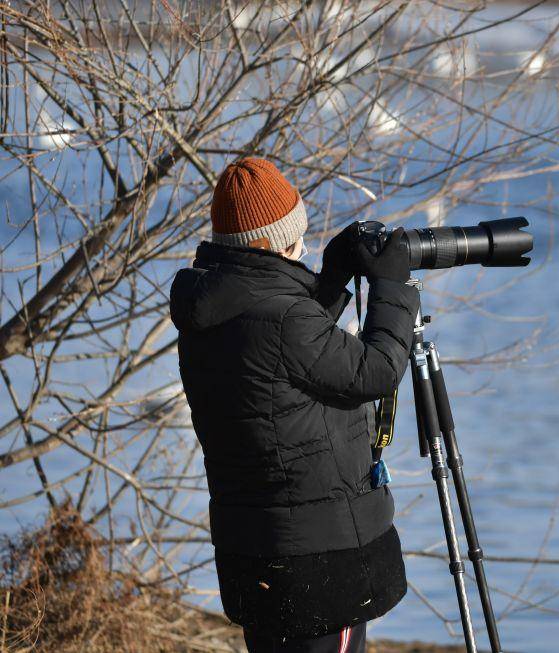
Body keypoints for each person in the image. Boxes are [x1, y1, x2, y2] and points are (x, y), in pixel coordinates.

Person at [169, 158, 418, 652]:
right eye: (296, 237)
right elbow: (376, 371)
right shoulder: (283, 321)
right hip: (322, 563)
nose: (301, 247)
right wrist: (393, 289)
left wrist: (332, 279)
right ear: (272, 242)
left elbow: (285, 363)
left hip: (258, 553)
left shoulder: (211, 309)